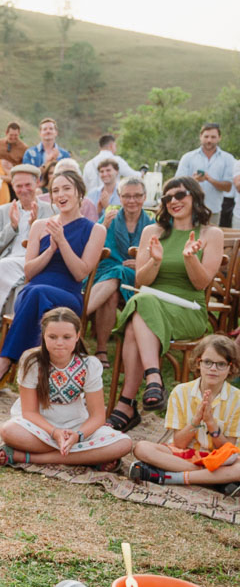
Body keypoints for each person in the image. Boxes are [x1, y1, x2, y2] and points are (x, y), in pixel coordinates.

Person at [0, 171, 106, 394]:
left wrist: (62, 241)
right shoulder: (39, 225)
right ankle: (38, 377)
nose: (60, 194)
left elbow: (80, 274)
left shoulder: (95, 229)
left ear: (79, 192)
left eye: (66, 189)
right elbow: (29, 272)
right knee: (33, 292)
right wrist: (50, 249)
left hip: (67, 296)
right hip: (33, 290)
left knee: (36, 295)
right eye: (55, 190)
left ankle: (6, 362)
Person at [107, 177, 223, 432]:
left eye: (180, 195)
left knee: (138, 312)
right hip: (150, 302)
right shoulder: (153, 232)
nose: (173, 201)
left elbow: (201, 284)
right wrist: (156, 261)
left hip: (187, 309)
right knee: (142, 304)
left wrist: (190, 258)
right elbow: (141, 280)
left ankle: (128, 402)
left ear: (194, 196)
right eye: (167, 198)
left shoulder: (211, 234)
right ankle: (152, 381)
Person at [0, 307, 132, 470]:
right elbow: (29, 412)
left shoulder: (89, 365)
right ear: (44, 336)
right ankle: (87, 457)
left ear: (77, 336)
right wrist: (55, 433)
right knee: (9, 431)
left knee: (124, 444)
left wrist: (78, 435)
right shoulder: (32, 362)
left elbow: (97, 416)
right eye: (52, 337)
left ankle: (27, 457)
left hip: (76, 427)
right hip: (40, 427)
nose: (59, 343)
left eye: (67, 337)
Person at [128, 334, 240, 494]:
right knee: (142, 448)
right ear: (198, 363)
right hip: (186, 454)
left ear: (231, 367)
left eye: (221, 364)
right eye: (208, 362)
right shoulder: (181, 392)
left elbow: (228, 448)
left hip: (220, 459)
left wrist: (211, 424)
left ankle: (172, 477)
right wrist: (196, 421)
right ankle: (216, 480)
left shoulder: (237, 399)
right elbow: (179, 443)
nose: (213, 368)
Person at [0, 164, 56, 353]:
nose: (23, 190)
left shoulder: (51, 210)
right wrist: (13, 227)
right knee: (14, 281)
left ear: (37, 184)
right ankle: (15, 344)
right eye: (18, 186)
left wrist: (36, 227)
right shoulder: (4, 212)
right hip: (12, 263)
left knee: (6, 270)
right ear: (13, 187)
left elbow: (54, 245)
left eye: (28, 185)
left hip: (38, 263)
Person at [83, 178, 155, 365]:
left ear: (144, 197)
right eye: (127, 196)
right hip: (105, 271)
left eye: (137, 196)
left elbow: (156, 255)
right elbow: (91, 245)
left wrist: (141, 263)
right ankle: (101, 349)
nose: (132, 200)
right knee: (112, 293)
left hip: (137, 276)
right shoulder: (110, 218)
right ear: (120, 198)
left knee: (120, 272)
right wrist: (104, 226)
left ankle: (77, 316)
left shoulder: (152, 224)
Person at [177, 123, 235, 226]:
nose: (209, 140)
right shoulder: (188, 157)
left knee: (211, 240)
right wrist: (193, 181)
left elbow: (228, 187)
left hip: (213, 211)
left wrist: (209, 179)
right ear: (200, 137)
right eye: (206, 136)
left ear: (219, 138)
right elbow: (177, 184)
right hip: (189, 209)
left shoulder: (227, 159)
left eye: (213, 137)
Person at [82, 158, 120, 222]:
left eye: (108, 170)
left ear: (116, 172)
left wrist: (107, 207)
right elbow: (86, 219)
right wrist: (98, 211)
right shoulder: (91, 194)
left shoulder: (124, 193)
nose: (105, 174)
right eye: (102, 171)